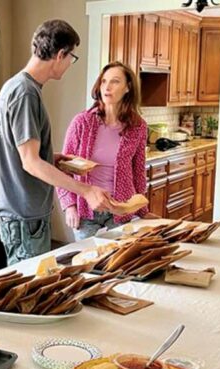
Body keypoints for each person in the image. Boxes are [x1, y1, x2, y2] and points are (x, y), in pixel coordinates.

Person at [0, 19, 113, 266]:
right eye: (71, 58)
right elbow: (30, 163)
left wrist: (49, 157)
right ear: (60, 54)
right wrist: (86, 191)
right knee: (30, 290)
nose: (69, 65)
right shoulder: (26, 93)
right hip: (25, 214)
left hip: (15, 211)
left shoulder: (11, 87)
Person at [57, 61, 155, 240]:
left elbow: (138, 172)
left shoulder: (138, 126)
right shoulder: (82, 122)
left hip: (120, 209)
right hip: (86, 210)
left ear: (128, 88)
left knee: (118, 262)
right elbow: (63, 167)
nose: (107, 87)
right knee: (89, 261)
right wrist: (69, 205)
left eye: (115, 81)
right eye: (103, 81)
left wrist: (141, 210)